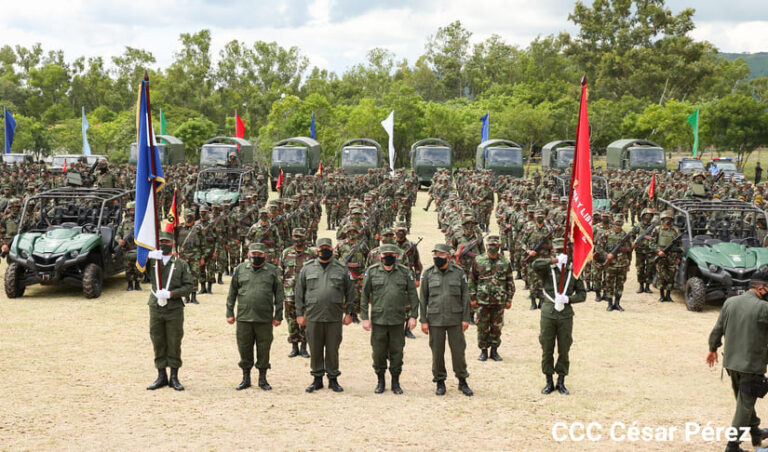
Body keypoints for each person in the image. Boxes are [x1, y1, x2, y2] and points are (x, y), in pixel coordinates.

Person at [707, 270, 768, 452]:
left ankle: (755, 431)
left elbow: (717, 329)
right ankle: (732, 445)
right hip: (751, 365)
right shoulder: (764, 308)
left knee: (744, 401)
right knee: (745, 403)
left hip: (731, 363)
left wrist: (712, 349)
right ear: (761, 288)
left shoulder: (730, 302)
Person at [295, 237, 355, 393]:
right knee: (314, 348)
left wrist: (349, 313)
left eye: (327, 247)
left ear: (332, 250)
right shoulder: (307, 268)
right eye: (322, 248)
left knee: (332, 349)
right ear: (316, 250)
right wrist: (299, 314)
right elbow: (299, 292)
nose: (325, 250)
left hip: (334, 316)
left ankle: (333, 378)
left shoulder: (341, 269)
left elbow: (350, 292)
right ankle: (317, 379)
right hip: (313, 315)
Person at [360, 244, 419, 394]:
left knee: (397, 352)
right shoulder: (372, 272)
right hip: (378, 320)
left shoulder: (404, 272)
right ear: (379, 256)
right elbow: (364, 295)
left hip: (398, 320)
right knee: (378, 353)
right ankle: (380, 381)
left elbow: (413, 294)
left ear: (397, 256)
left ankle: (395, 382)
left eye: (391, 254)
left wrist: (413, 316)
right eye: (385, 254)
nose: (388, 257)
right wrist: (365, 318)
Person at [226, 243, 283, 391]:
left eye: (259, 254)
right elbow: (232, 292)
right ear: (248, 255)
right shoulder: (240, 269)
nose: (256, 257)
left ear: (265, 255)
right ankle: (246, 378)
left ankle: (262, 379)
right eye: (253, 254)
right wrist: (229, 312)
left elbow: (279, 295)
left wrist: (278, 315)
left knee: (264, 349)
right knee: (244, 348)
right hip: (244, 317)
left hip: (264, 318)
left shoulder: (272, 271)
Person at [533, 239, 587, 395]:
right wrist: (555, 261)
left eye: (563, 252)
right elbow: (534, 265)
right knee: (547, 347)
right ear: (553, 252)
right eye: (557, 252)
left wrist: (569, 299)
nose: (561, 254)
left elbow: (582, 295)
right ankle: (548, 381)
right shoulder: (547, 269)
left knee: (564, 348)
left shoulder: (573, 271)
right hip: (549, 313)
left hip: (565, 314)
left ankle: (561, 381)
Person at [419, 243, 473, 397]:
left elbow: (465, 297)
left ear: (448, 256)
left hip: (455, 319)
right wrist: (423, 320)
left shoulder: (458, 272)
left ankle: (462, 380)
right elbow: (423, 298)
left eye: (441, 255)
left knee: (458, 352)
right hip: (435, 320)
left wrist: (465, 318)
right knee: (437, 353)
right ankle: (440, 381)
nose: (437, 257)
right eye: (435, 254)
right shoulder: (428, 273)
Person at [145, 231, 194, 391]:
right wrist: (148, 257)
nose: (164, 244)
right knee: (157, 340)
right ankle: (161, 375)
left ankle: (174, 376)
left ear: (172, 244)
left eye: (167, 241)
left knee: (174, 341)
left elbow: (189, 286)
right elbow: (135, 264)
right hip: (156, 307)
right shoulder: (153, 262)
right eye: (161, 242)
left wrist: (172, 294)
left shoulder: (180, 264)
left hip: (174, 309)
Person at [469, 235, 515, 361]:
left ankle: (494, 351)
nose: (492, 248)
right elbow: (472, 280)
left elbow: (510, 281)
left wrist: (509, 299)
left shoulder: (505, 262)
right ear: (486, 246)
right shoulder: (478, 260)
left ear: (499, 246)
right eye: (490, 245)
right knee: (482, 326)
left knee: (497, 327)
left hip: (499, 301)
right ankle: (483, 351)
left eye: (495, 245)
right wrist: (472, 298)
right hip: (482, 301)